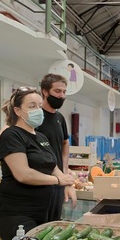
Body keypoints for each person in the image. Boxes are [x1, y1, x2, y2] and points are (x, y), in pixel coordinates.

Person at [0, 87, 75, 240]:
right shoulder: (12, 135)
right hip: (16, 212)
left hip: (42, 211)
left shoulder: (41, 137)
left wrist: (69, 181)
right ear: (17, 110)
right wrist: (58, 180)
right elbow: (23, 174)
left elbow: (53, 167)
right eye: (31, 106)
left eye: (39, 105)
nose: (38, 110)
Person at [37, 73, 77, 221]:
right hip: (41, 182)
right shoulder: (35, 117)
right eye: (57, 91)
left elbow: (65, 143)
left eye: (64, 92)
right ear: (45, 91)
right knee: (39, 226)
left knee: (54, 222)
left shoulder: (60, 118)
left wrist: (64, 171)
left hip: (58, 182)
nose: (61, 96)